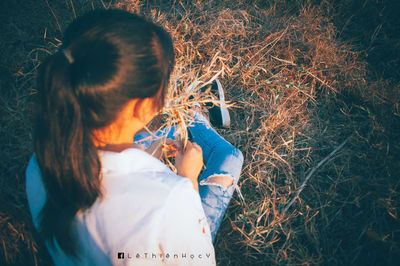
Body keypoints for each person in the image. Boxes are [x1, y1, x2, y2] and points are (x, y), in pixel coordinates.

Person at [25, 9, 243, 266]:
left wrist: (148, 154)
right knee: (230, 157)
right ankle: (195, 114)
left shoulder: (41, 162)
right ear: (142, 107)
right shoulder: (170, 199)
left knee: (165, 136)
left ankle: (195, 113)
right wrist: (188, 181)